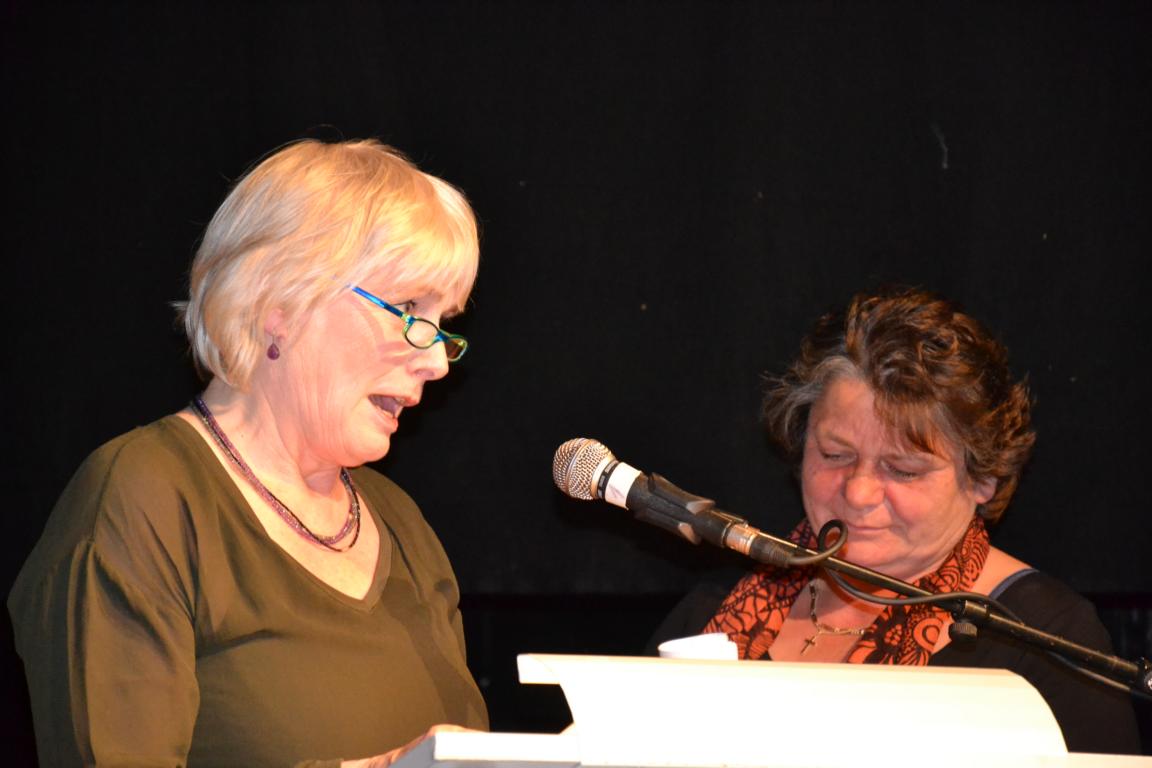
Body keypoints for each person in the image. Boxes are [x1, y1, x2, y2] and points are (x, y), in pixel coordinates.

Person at [8, 139, 489, 767]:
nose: (436, 361)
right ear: (278, 304)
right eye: (407, 309)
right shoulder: (144, 499)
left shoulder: (401, 523)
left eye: (443, 322)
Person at [649, 287, 1141, 754]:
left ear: (983, 478)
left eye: (903, 470)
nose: (858, 492)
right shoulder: (717, 606)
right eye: (835, 454)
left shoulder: (1047, 640)